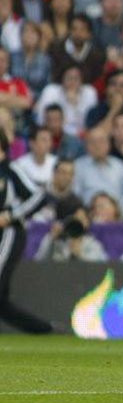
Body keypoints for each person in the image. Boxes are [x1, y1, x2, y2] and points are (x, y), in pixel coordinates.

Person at [0, 130, 50, 333]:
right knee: (1, 304)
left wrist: (11, 214)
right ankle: (42, 329)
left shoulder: (11, 170)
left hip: (9, 233)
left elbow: (39, 196)